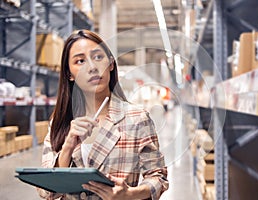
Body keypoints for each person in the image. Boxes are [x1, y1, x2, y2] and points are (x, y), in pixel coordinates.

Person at [38, 29, 168, 200]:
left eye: (98, 57)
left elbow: (158, 178)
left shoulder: (137, 119)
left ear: (111, 64)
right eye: (80, 61)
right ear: (69, 74)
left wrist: (129, 194)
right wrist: (68, 147)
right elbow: (45, 192)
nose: (92, 67)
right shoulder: (60, 122)